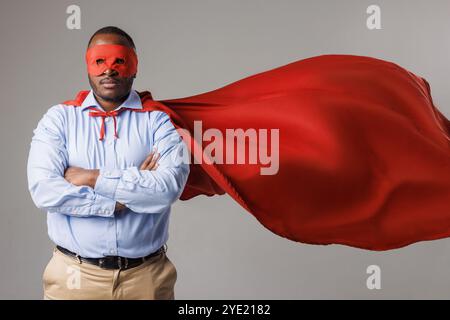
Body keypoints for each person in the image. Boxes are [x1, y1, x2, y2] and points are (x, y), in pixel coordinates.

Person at [27, 26, 190, 300]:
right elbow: (44, 190)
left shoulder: (158, 121)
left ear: (134, 67)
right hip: (74, 279)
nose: (109, 70)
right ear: (88, 67)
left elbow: (168, 188)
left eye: (119, 61)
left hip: (146, 279)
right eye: (99, 61)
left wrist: (92, 177)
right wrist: (119, 202)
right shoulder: (59, 120)